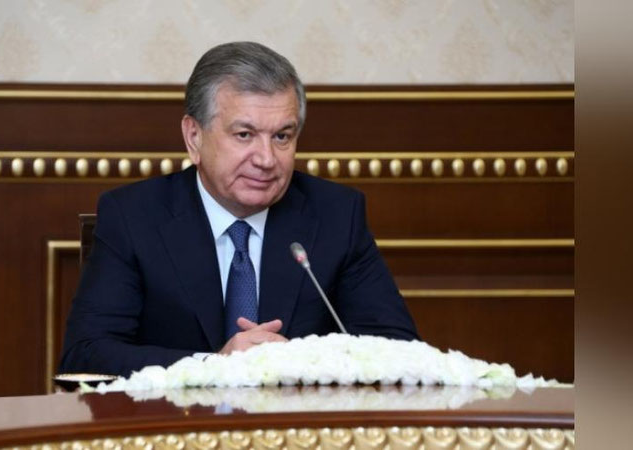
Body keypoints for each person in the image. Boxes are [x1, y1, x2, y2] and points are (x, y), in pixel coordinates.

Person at [58, 42, 419, 377]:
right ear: (194, 137)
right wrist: (213, 366)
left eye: (282, 136)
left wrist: (300, 363)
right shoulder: (133, 216)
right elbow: (86, 355)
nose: (266, 159)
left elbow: (400, 350)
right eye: (244, 135)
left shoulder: (336, 215)